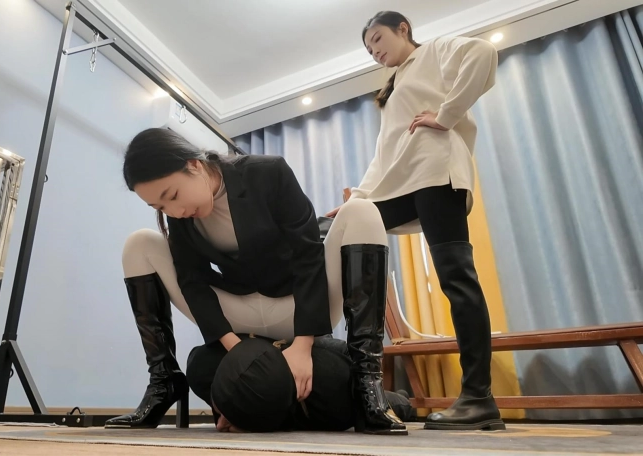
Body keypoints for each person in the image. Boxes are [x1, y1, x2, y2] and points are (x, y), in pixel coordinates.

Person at [106, 127, 406, 435]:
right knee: (139, 244)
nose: (175, 211)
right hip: (240, 312)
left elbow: (308, 258)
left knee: (361, 210)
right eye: (160, 207)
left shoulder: (268, 172)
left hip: (298, 305)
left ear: (193, 165)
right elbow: (192, 283)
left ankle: (368, 383)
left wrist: (303, 346)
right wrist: (235, 351)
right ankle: (164, 382)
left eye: (172, 196)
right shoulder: (180, 216)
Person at [326, 11, 503, 431]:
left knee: (457, 278)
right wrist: (358, 201)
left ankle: (479, 398)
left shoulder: (435, 51)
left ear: (402, 28)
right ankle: (359, 379)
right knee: (333, 234)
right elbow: (385, 152)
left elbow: (483, 53)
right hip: (402, 184)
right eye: (368, 48)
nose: (374, 51)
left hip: (436, 175)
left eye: (377, 39)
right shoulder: (394, 84)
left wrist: (446, 114)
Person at [186, 335, 416, 433]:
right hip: (272, 349)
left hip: (331, 359)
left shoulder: (337, 396)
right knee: (202, 364)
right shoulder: (203, 371)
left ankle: (401, 397)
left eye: (226, 418)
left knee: (386, 404)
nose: (219, 426)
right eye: (220, 413)